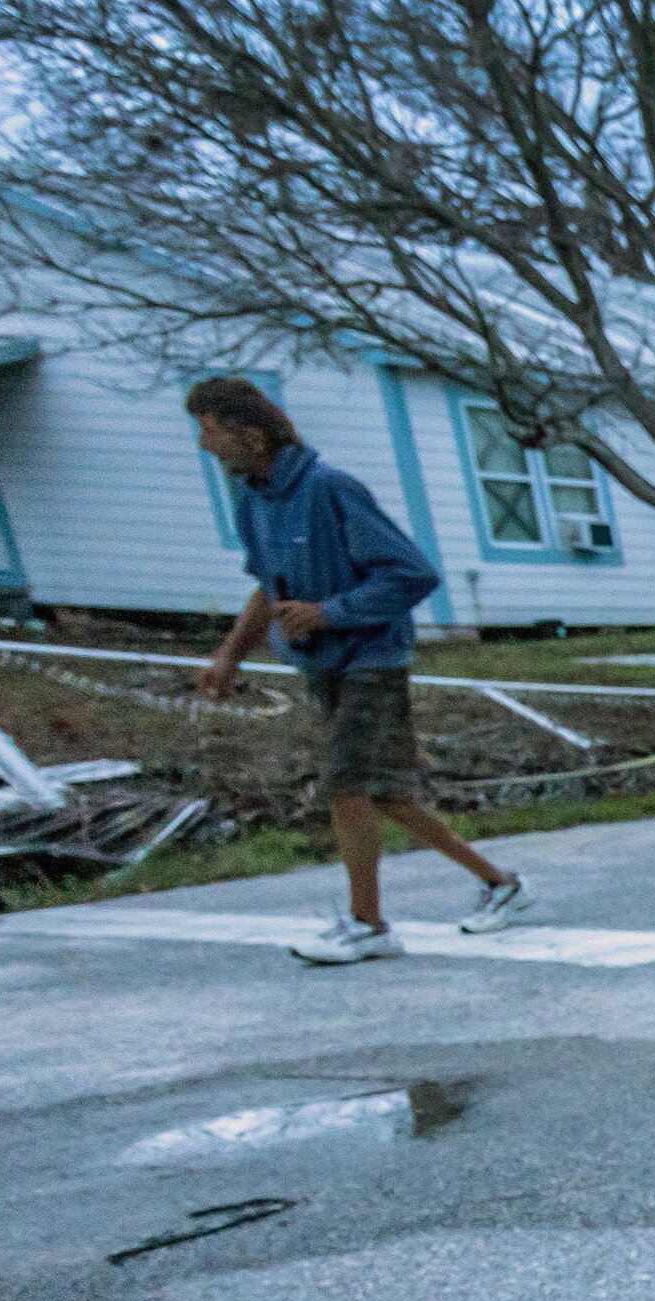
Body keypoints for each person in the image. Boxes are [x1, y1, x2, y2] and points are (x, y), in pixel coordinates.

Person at [183, 377, 525, 964]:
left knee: (347, 783)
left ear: (250, 432)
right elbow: (267, 589)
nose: (205, 446)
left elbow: (412, 574)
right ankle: (500, 883)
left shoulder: (330, 489)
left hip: (373, 658)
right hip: (322, 661)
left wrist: (327, 613)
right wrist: (229, 656)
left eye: (210, 431)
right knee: (386, 792)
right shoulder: (256, 502)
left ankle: (369, 925)